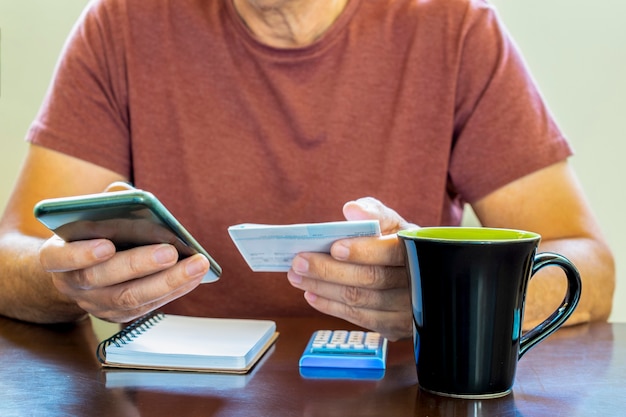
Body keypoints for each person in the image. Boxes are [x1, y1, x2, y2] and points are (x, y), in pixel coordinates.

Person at [0, 0, 615, 341]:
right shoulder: (120, 25)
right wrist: (64, 282)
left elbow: (586, 264)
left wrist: (445, 302)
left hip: (400, 399)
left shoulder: (456, 29)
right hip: (180, 395)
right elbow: (13, 253)